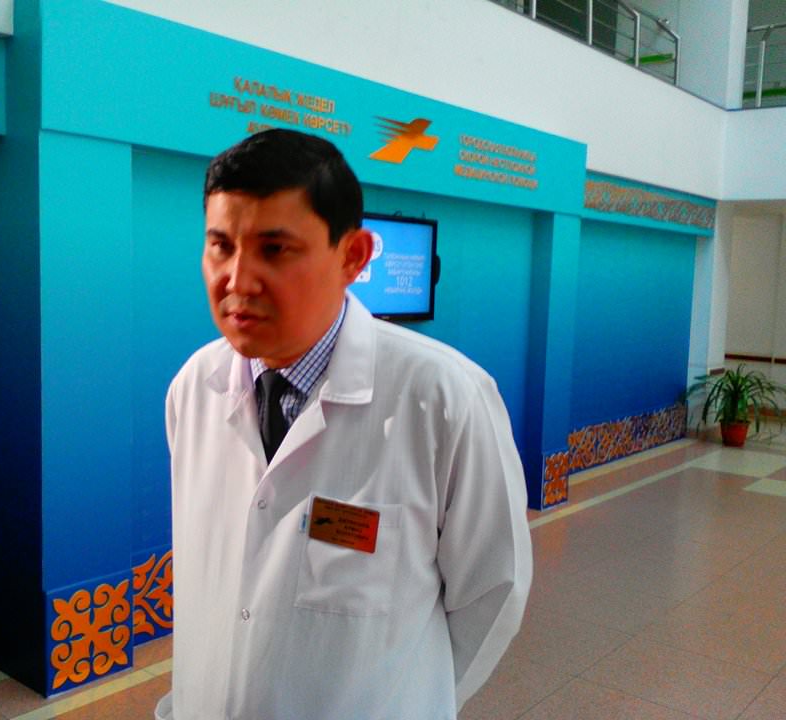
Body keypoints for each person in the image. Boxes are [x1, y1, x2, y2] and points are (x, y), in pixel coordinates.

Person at [156, 128, 532, 720]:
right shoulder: (193, 388)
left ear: (353, 256)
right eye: (221, 246)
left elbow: (494, 591)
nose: (237, 280)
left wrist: (409, 701)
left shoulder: (443, 398)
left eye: (274, 249)